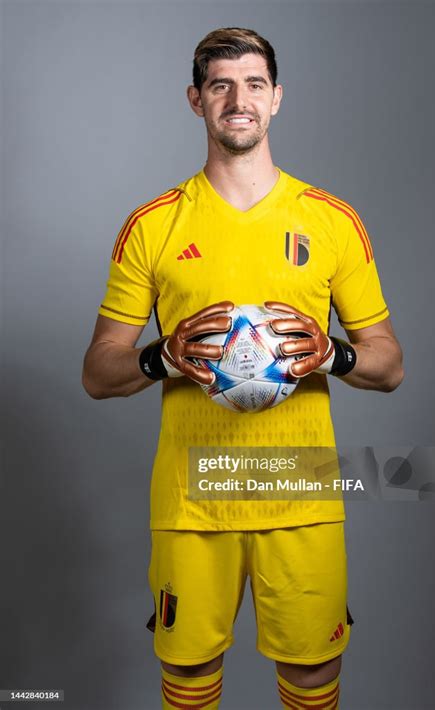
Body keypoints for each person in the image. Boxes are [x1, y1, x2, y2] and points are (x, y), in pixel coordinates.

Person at [82, 27, 403, 710]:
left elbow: (388, 364)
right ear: (195, 99)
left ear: (277, 98)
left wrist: (334, 353)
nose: (239, 98)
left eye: (254, 83)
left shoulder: (332, 220)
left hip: (302, 493)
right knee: (190, 678)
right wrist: (162, 355)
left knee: (314, 676)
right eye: (221, 85)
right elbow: (99, 370)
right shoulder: (154, 225)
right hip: (191, 500)